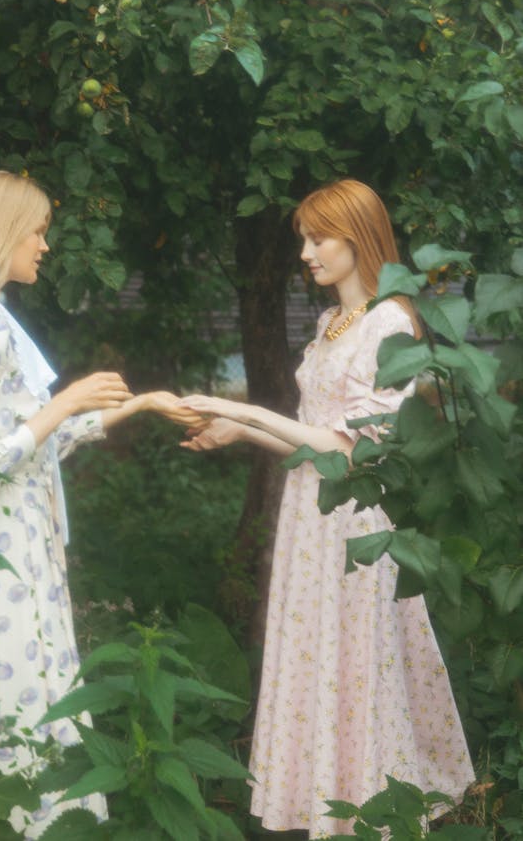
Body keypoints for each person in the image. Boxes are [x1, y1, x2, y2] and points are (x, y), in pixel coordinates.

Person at [180, 179, 474, 837]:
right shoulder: (329, 322)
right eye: (304, 240)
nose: (307, 252)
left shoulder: (391, 322)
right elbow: (313, 434)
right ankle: (327, 808)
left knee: (359, 661)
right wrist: (242, 432)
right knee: (318, 658)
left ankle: (375, 816)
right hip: (308, 518)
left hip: (356, 520)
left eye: (320, 238)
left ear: (358, 237)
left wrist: (238, 406)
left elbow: (352, 449)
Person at [0, 170, 196, 836]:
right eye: (37, 231)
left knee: (21, 709)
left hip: (13, 546)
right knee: (13, 715)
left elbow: (33, 443)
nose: (44, 245)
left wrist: (142, 403)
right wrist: (65, 398)